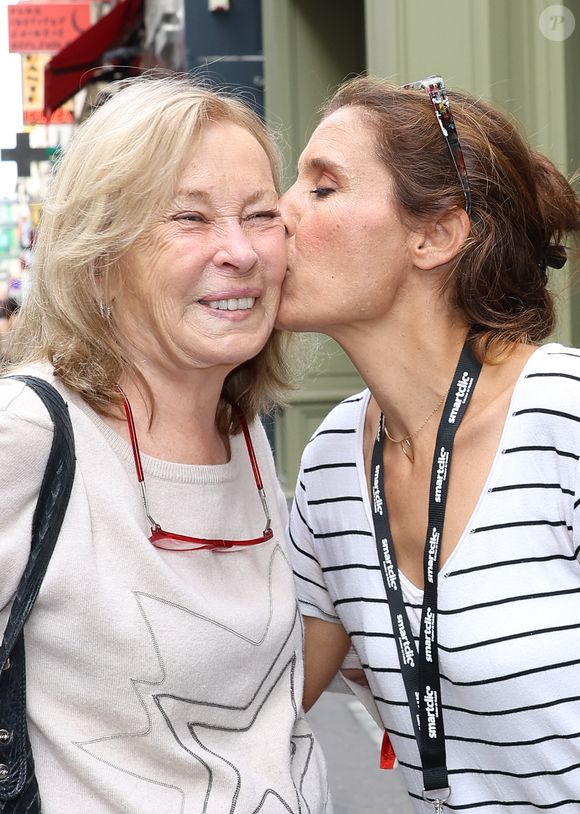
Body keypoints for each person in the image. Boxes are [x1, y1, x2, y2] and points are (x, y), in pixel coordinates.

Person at [0, 75, 330, 813]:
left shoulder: (243, 433)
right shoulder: (31, 432)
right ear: (99, 255)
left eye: (260, 214)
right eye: (190, 217)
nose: (240, 252)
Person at [277, 74, 580, 812]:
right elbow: (255, 703)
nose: (276, 213)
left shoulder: (564, 421)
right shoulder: (330, 465)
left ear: (435, 234)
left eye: (322, 188)